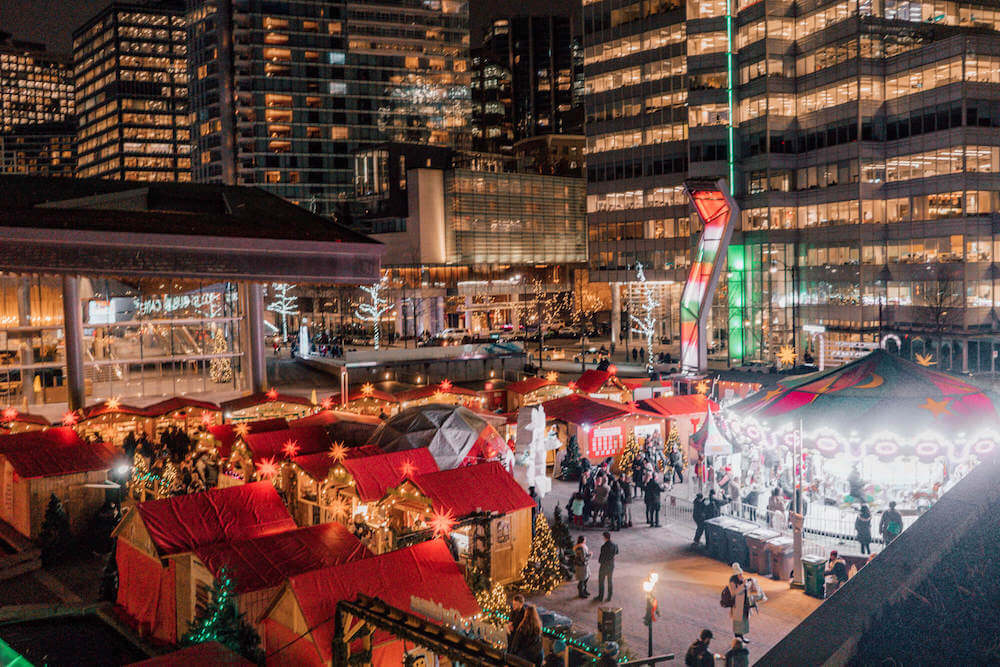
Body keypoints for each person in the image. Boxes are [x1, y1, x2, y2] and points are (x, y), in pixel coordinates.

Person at [597, 531, 618, 602]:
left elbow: (601, 557)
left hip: (604, 566)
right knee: (610, 581)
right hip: (611, 565)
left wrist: (600, 561)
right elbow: (617, 552)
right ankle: (609, 597)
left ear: (604, 538)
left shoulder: (603, 547)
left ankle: (601, 596)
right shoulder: (615, 545)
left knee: (601, 581)